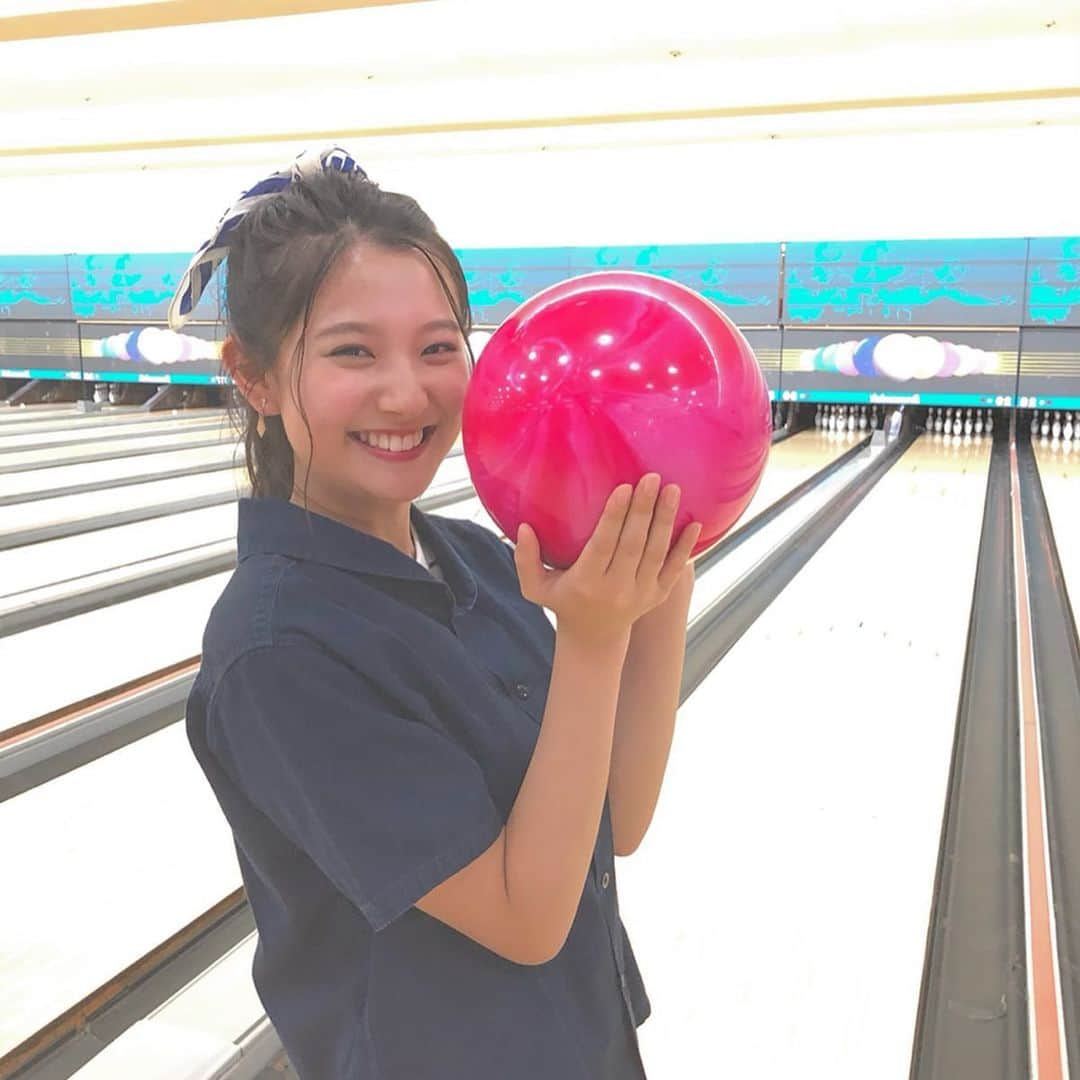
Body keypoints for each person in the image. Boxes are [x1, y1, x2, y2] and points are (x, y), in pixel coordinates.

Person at [178, 147, 700, 1079]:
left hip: (583, 1046)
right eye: (351, 351)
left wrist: (662, 570)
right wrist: (591, 637)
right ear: (254, 378)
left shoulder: (476, 556)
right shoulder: (277, 653)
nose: (406, 393)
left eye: (437, 347)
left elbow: (611, 821)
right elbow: (525, 918)